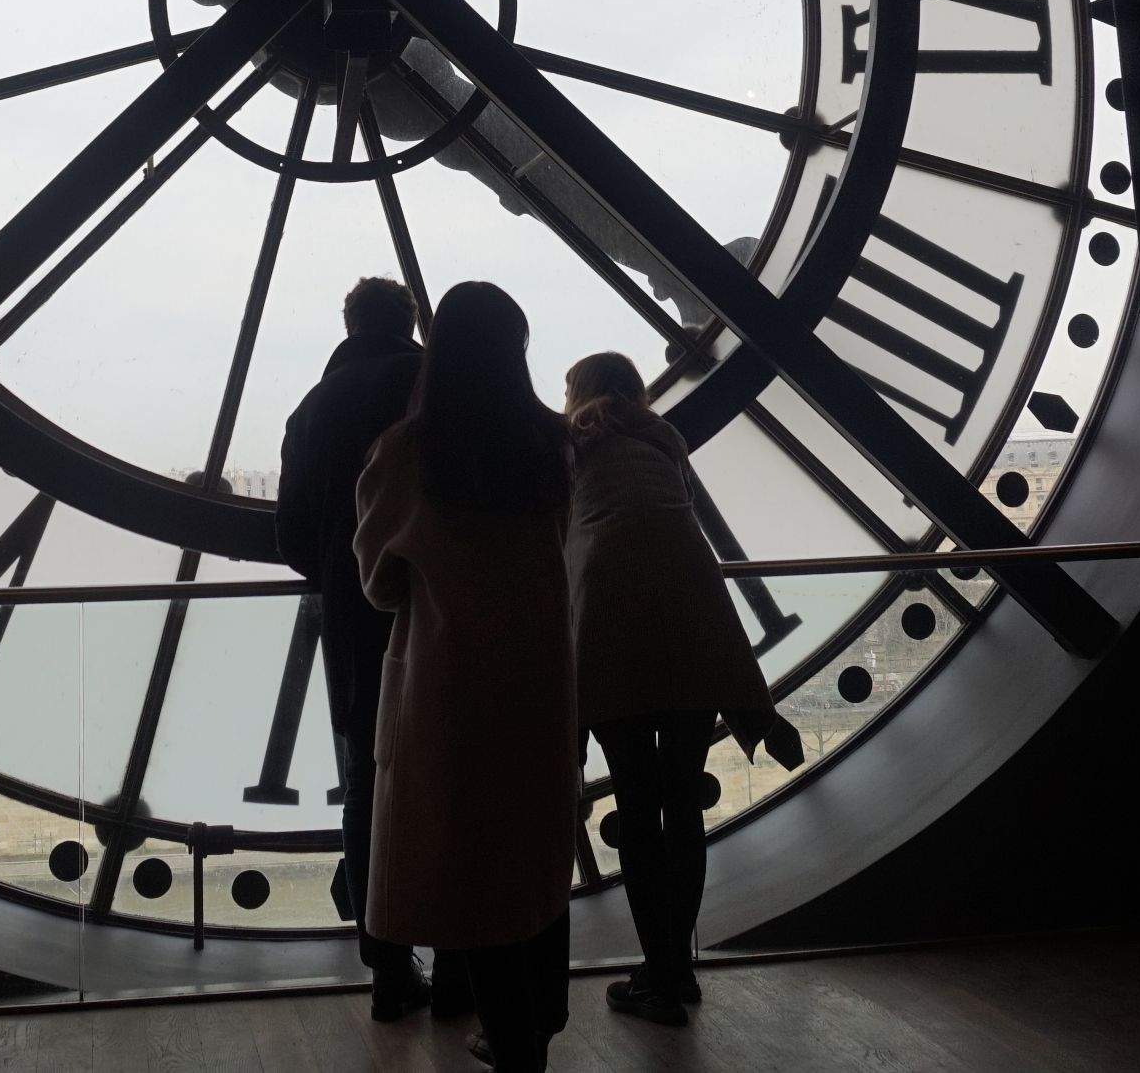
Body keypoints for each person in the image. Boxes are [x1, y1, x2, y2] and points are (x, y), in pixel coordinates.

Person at [354, 282, 575, 1072]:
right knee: (533, 856)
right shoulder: (553, 446)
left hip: (444, 687)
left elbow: (379, 580)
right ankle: (535, 1026)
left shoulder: (406, 452)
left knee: (468, 866)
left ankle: (512, 1032)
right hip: (542, 676)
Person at [561, 350, 778, 1026]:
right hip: (693, 614)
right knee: (682, 802)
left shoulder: (577, 437)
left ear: (581, 394)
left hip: (609, 620)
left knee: (637, 795)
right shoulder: (664, 439)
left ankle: (660, 968)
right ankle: (676, 968)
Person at [273, 276, 447, 1020]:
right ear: (410, 321)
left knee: (368, 787)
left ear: (348, 323)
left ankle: (387, 960)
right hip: (435, 610)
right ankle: (460, 954)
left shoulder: (312, 410)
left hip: (350, 617)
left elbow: (294, 538)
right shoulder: (428, 384)